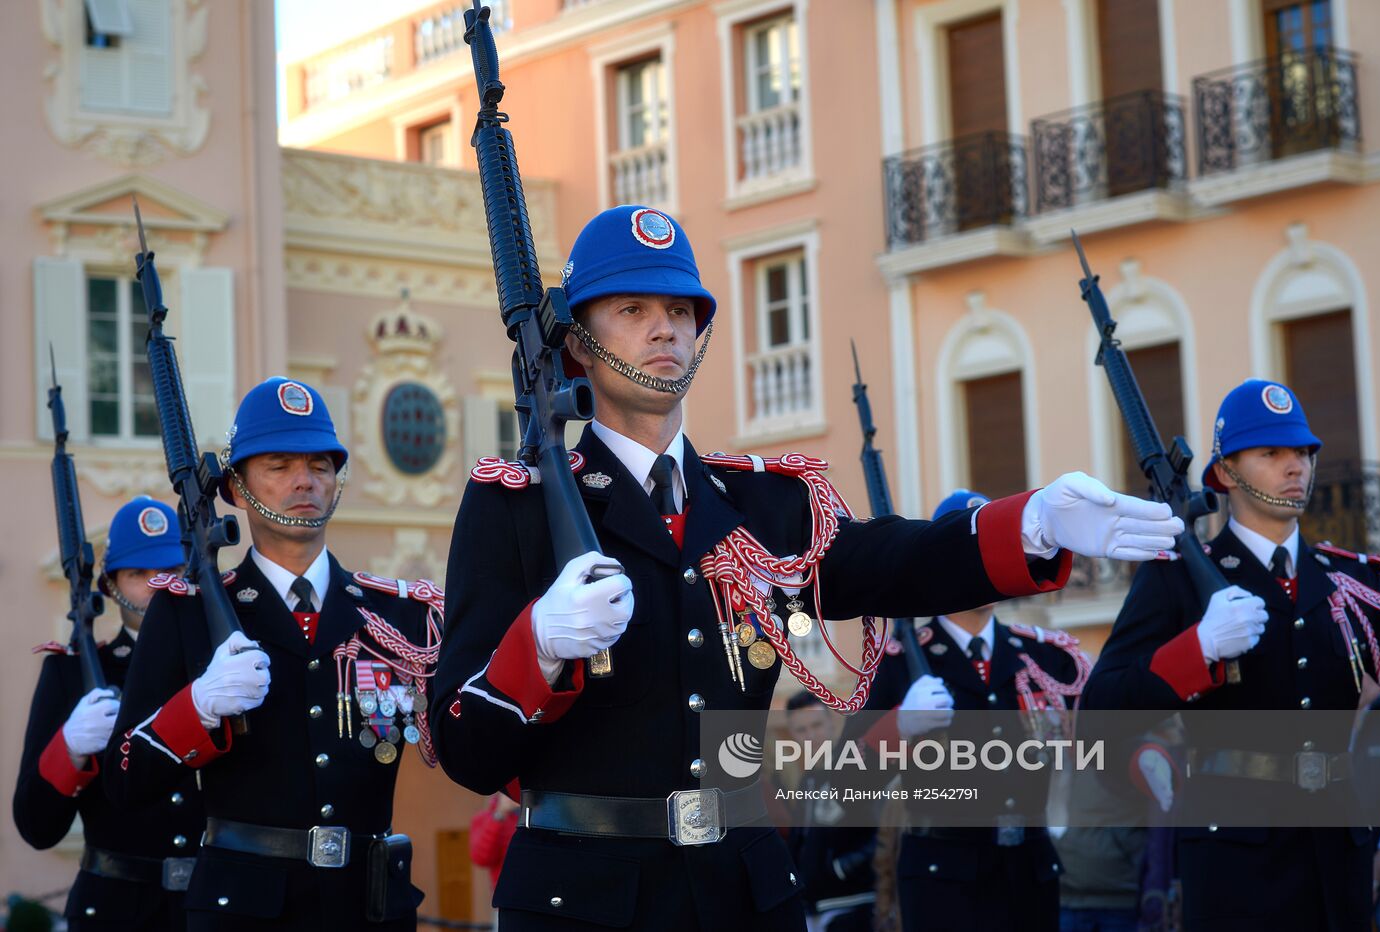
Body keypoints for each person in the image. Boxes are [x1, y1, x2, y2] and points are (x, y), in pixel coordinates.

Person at [428, 205, 1184, 931]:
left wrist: (1034, 522)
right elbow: (465, 750)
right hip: (584, 896)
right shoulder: (515, 509)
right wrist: (539, 646)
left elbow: (895, 561)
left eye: (682, 310)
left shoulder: (766, 504)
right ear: (578, 345)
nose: (665, 327)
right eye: (631, 309)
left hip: (741, 891)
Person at [104, 378, 442, 931]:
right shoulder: (188, 613)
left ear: (338, 482)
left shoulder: (396, 617)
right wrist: (199, 708)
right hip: (244, 911)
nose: (304, 481)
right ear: (236, 488)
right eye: (279, 466)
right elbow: (124, 780)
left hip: (367, 908)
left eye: (320, 465)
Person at [1081, 379, 1380, 932]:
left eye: (1302, 452)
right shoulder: (1176, 579)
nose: (1295, 466)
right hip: (1236, 866)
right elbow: (1099, 714)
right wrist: (1198, 648)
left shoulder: (1351, 581)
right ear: (1226, 473)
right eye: (1271, 453)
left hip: (1338, 862)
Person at [843, 489, 1093, 932]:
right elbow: (846, 784)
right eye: (973, 554)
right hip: (944, 882)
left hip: (1029, 873)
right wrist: (897, 728)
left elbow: (1100, 730)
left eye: (995, 553)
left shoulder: (1045, 657)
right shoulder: (900, 663)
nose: (986, 567)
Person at [15, 496, 199, 930]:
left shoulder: (219, 667)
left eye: (170, 572)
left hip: (210, 907)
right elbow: (36, 826)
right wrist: (70, 749)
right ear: (111, 586)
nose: (157, 585)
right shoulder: (71, 672)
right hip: (115, 911)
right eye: (139, 574)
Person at [782, 690, 876, 932]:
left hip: (854, 904)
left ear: (832, 723)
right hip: (813, 908)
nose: (811, 736)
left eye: (816, 725)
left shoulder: (858, 771)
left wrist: (842, 869)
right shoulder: (807, 781)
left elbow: (888, 831)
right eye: (801, 730)